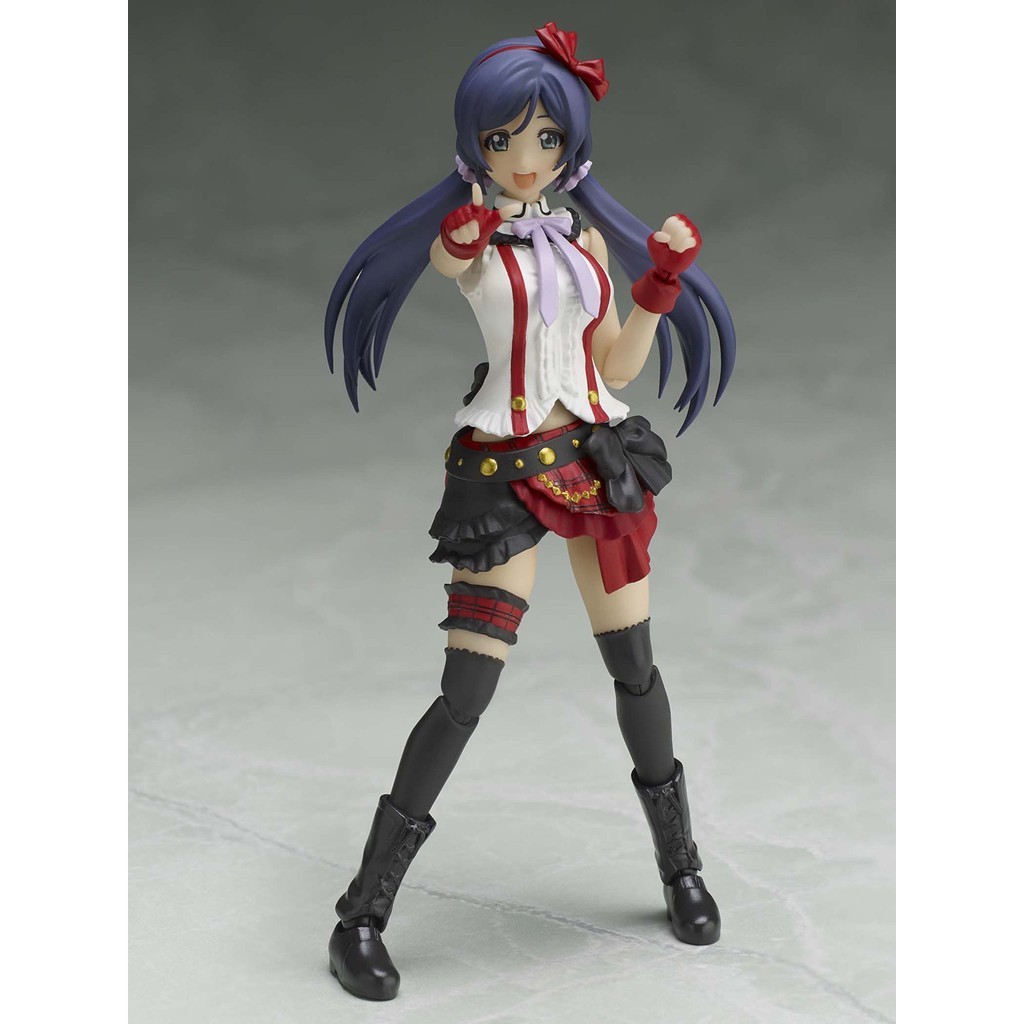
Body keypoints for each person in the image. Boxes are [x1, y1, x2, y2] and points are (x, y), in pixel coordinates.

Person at [323, 22, 736, 1001]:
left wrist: (658, 285)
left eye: (544, 138)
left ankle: (680, 867)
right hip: (504, 470)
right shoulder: (471, 239)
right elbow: (452, 256)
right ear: (475, 143)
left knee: (635, 668)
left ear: (570, 145)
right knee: (467, 689)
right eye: (503, 138)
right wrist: (466, 233)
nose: (524, 157)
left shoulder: (584, 239)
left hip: (595, 461)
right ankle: (361, 913)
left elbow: (615, 365)